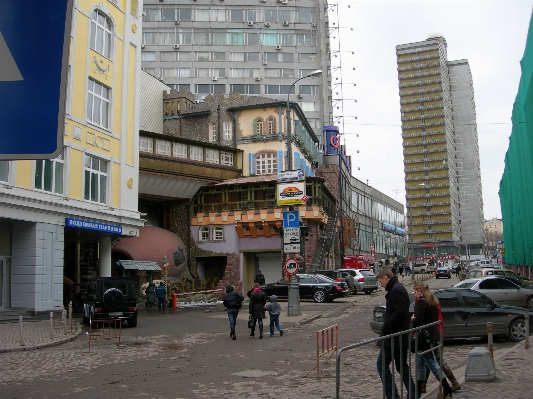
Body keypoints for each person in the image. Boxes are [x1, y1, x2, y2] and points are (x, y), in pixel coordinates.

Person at [375, 269, 416, 399]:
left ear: (386, 278)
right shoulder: (398, 288)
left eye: (381, 281)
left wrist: (387, 325)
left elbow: (400, 312)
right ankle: (413, 394)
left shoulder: (396, 290)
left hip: (394, 337)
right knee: (401, 366)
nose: (381, 285)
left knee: (381, 364)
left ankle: (393, 395)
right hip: (399, 336)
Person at [411, 282, 453, 398]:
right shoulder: (433, 301)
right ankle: (418, 391)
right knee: (421, 363)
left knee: (432, 363)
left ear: (419, 290)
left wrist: (412, 319)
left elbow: (419, 320)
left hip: (425, 337)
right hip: (433, 335)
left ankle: (446, 387)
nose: (415, 294)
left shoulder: (421, 303)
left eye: (415, 292)